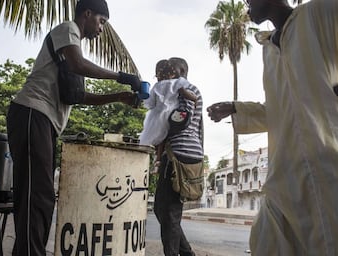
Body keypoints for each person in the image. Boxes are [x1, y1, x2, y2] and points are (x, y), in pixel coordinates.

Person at [6, 0, 141, 255]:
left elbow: (77, 96)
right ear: (87, 14)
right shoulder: (68, 30)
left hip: (42, 121)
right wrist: (121, 76)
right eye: (101, 22)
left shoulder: (70, 51)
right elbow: (80, 65)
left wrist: (118, 96)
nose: (101, 30)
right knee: (37, 196)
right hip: (32, 113)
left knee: (41, 198)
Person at [207, 0, 338, 254]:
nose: (246, 2)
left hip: (329, 170)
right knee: (266, 243)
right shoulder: (268, 49)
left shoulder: (318, 15)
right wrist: (237, 107)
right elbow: (278, 110)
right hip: (284, 177)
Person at [153, 57, 203, 256]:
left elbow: (179, 120)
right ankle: (187, 253)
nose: (168, 75)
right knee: (162, 210)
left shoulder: (185, 89)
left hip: (178, 155)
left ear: (180, 70)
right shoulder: (188, 90)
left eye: (171, 71)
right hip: (188, 153)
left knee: (170, 213)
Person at [139, 59, 196, 166]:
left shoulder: (156, 86)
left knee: (158, 138)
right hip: (172, 113)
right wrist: (186, 94)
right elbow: (191, 96)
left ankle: (157, 159)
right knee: (165, 135)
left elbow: (149, 104)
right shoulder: (179, 82)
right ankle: (158, 159)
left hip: (157, 116)